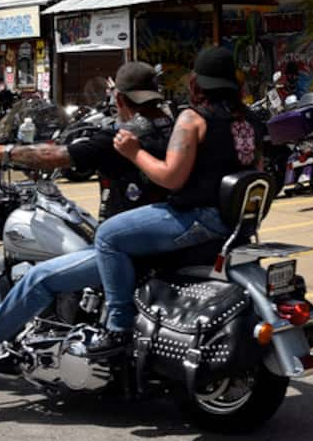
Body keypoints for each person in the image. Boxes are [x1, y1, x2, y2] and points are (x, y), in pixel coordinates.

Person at [0, 62, 171, 365]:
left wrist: (4, 152)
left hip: (130, 250)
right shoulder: (175, 129)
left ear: (119, 100)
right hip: (166, 238)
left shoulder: (120, 140)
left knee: (39, 278)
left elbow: (56, 156)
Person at [84, 46, 264, 358]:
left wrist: (134, 152)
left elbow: (171, 178)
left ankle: (117, 328)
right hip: (236, 223)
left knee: (108, 236)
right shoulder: (252, 120)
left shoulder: (193, 119)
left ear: (197, 83)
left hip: (197, 219)